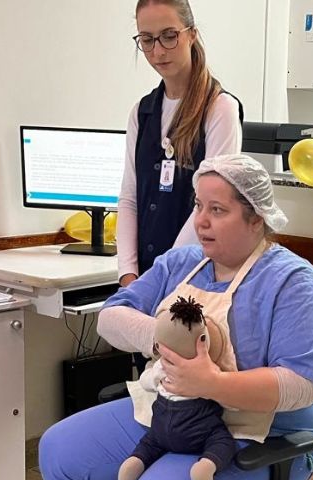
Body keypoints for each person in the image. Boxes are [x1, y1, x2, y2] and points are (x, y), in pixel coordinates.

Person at [39, 154, 313, 480]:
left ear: (256, 217)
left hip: (261, 434)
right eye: (198, 206)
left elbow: (305, 384)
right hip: (170, 414)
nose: (201, 221)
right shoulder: (181, 263)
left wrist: (212, 383)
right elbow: (110, 317)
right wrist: (166, 338)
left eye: (217, 210)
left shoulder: (291, 281)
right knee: (58, 453)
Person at [117, 0, 244, 288]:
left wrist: (163, 276)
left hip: (193, 276)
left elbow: (211, 207)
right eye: (147, 40)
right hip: (145, 278)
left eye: (169, 36)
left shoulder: (220, 108)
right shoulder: (142, 113)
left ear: (191, 34)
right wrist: (128, 275)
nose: (158, 51)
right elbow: (129, 198)